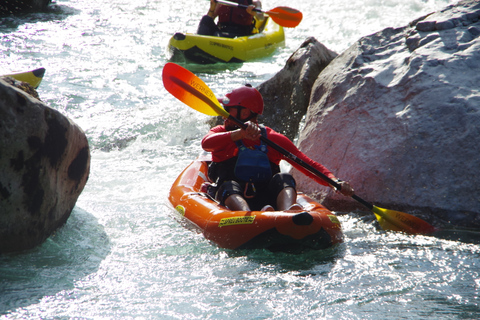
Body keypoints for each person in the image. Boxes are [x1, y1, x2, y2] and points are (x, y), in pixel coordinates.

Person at [201, 84, 355, 212]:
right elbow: (206, 144)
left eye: (228, 110)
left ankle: (288, 212)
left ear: (245, 112)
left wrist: (335, 182)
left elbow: (308, 165)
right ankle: (246, 214)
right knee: (228, 185)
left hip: (267, 199)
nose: (223, 115)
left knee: (285, 178)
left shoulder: (272, 138)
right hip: (233, 200)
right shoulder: (221, 132)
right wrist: (239, 134)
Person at [197, 0, 265, 38]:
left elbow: (261, 18)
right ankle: (198, 42)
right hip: (221, 31)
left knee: (219, 35)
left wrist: (254, 13)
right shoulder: (222, 1)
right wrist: (212, 8)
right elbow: (210, 18)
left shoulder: (253, 2)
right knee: (206, 19)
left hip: (240, 34)